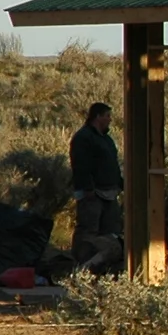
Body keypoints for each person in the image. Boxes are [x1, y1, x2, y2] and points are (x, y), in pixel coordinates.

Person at [69, 101, 125, 273]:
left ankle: (103, 268)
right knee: (88, 231)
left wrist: (119, 184)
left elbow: (112, 164)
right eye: (107, 116)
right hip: (92, 194)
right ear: (98, 116)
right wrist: (88, 189)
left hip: (109, 192)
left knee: (110, 232)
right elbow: (80, 165)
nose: (110, 119)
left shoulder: (106, 139)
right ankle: (81, 267)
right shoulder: (83, 138)